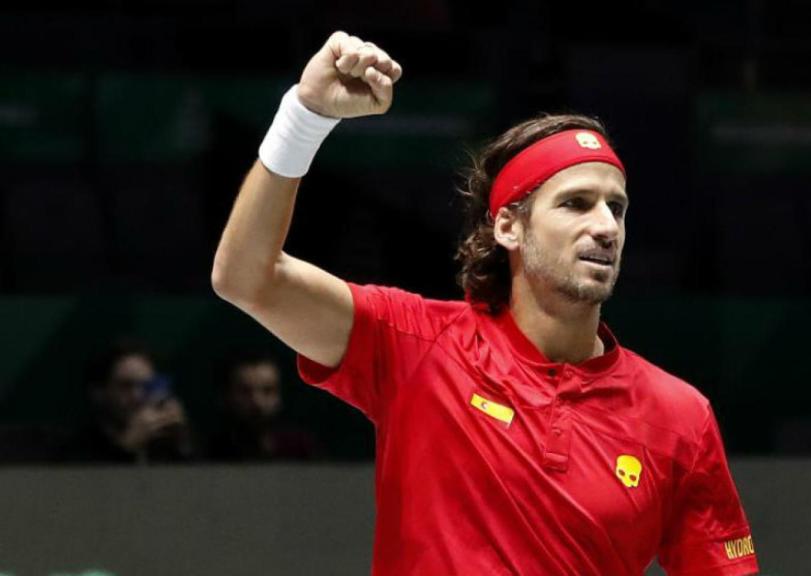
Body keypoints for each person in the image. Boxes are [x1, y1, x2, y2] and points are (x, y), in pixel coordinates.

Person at [212, 30, 758, 575]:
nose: (605, 227)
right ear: (509, 227)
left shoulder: (679, 417)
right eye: (576, 204)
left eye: (616, 208)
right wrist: (304, 117)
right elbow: (246, 277)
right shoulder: (414, 346)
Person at [71, 339, 195, 463]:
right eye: (125, 386)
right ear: (99, 393)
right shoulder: (75, 448)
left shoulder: (163, 445)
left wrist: (183, 442)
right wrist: (126, 447)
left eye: (147, 385)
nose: (138, 396)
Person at [207, 351, 324, 461]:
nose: (257, 401)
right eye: (245, 391)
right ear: (227, 395)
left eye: (268, 390)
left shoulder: (301, 447)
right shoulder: (211, 450)